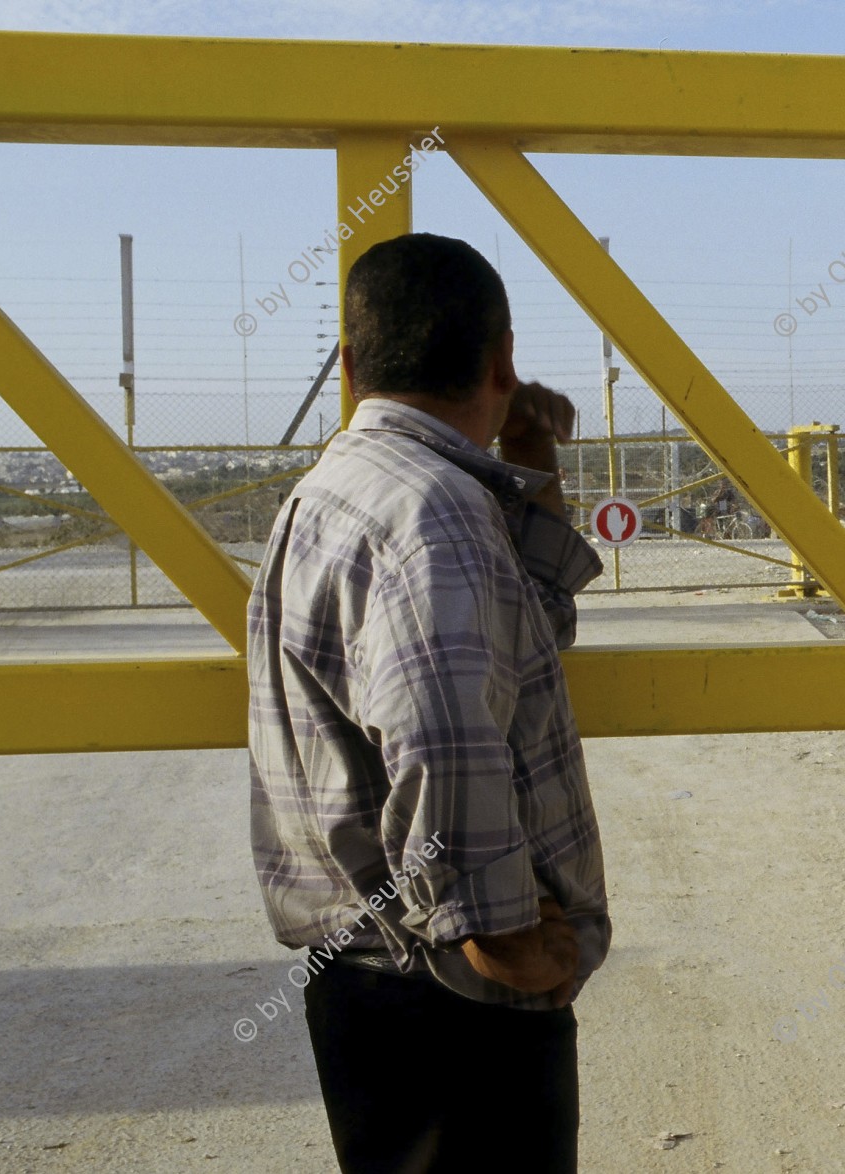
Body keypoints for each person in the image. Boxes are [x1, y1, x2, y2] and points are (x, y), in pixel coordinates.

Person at [247, 232, 610, 1173]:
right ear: (501, 361)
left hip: (373, 979)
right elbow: (442, 736)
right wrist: (501, 936)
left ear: (353, 366)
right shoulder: (434, 513)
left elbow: (523, 627)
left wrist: (530, 456)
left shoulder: (336, 493)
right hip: (449, 990)